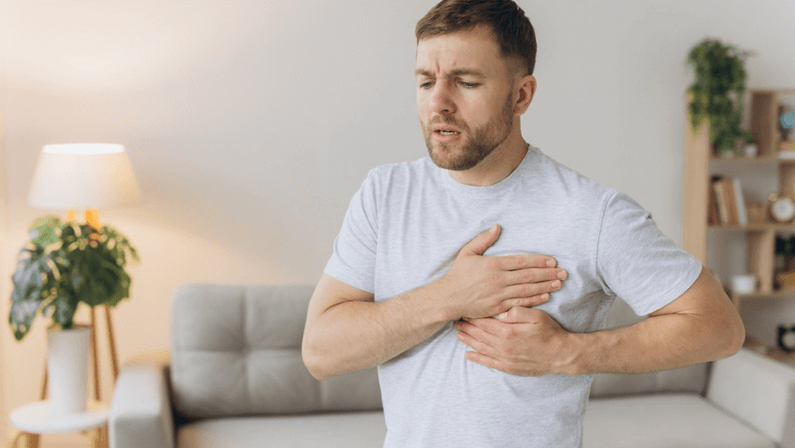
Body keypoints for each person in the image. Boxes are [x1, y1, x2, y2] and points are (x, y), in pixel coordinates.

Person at [302, 0, 745, 446]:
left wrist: (569, 352)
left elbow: (719, 328)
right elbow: (320, 352)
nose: (438, 103)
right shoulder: (385, 194)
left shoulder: (592, 213)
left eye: (466, 82)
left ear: (521, 95)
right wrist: (449, 296)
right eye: (425, 81)